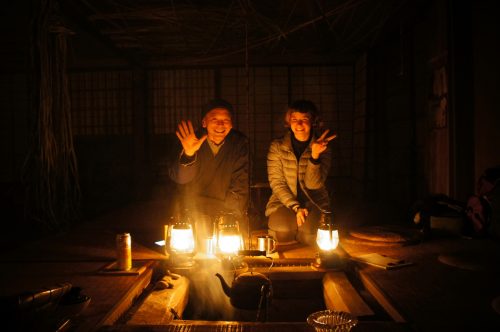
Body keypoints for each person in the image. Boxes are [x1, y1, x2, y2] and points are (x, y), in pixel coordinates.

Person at [168, 98, 249, 244]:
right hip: (193, 207)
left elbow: (240, 183)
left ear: (231, 124)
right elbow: (180, 178)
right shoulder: (191, 140)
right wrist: (188, 154)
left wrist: (229, 216)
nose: (220, 124)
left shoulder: (239, 143)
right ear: (204, 123)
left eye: (225, 119)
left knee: (230, 244)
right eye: (214, 119)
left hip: (225, 207)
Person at [265, 100, 336, 246]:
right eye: (294, 120)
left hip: (314, 201)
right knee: (281, 232)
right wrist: (296, 207)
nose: (299, 125)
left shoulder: (324, 147)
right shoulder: (277, 146)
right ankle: (293, 226)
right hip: (284, 202)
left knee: (311, 236)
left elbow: (314, 185)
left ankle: (302, 229)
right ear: (288, 121)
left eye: (304, 119)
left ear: (313, 121)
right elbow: (276, 183)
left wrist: (315, 155)